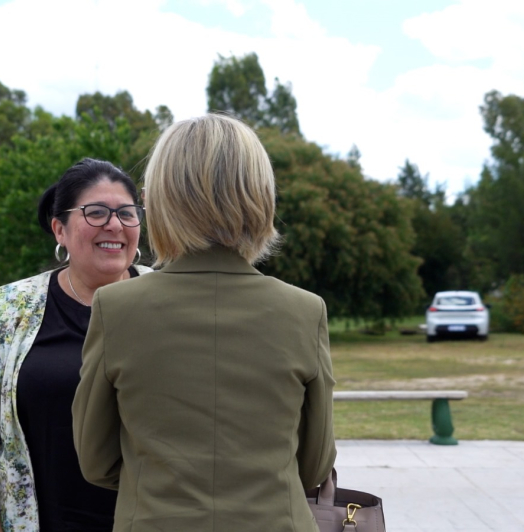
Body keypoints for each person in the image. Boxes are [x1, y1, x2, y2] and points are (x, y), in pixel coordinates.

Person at [72, 114, 337, 531]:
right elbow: (315, 463)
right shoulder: (305, 311)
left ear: (160, 199)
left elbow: (96, 461)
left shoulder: (115, 308)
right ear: (260, 196)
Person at [0, 158, 152, 532]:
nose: (115, 225)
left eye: (127, 213)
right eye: (97, 212)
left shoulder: (166, 303)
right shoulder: (3, 310)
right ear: (59, 229)